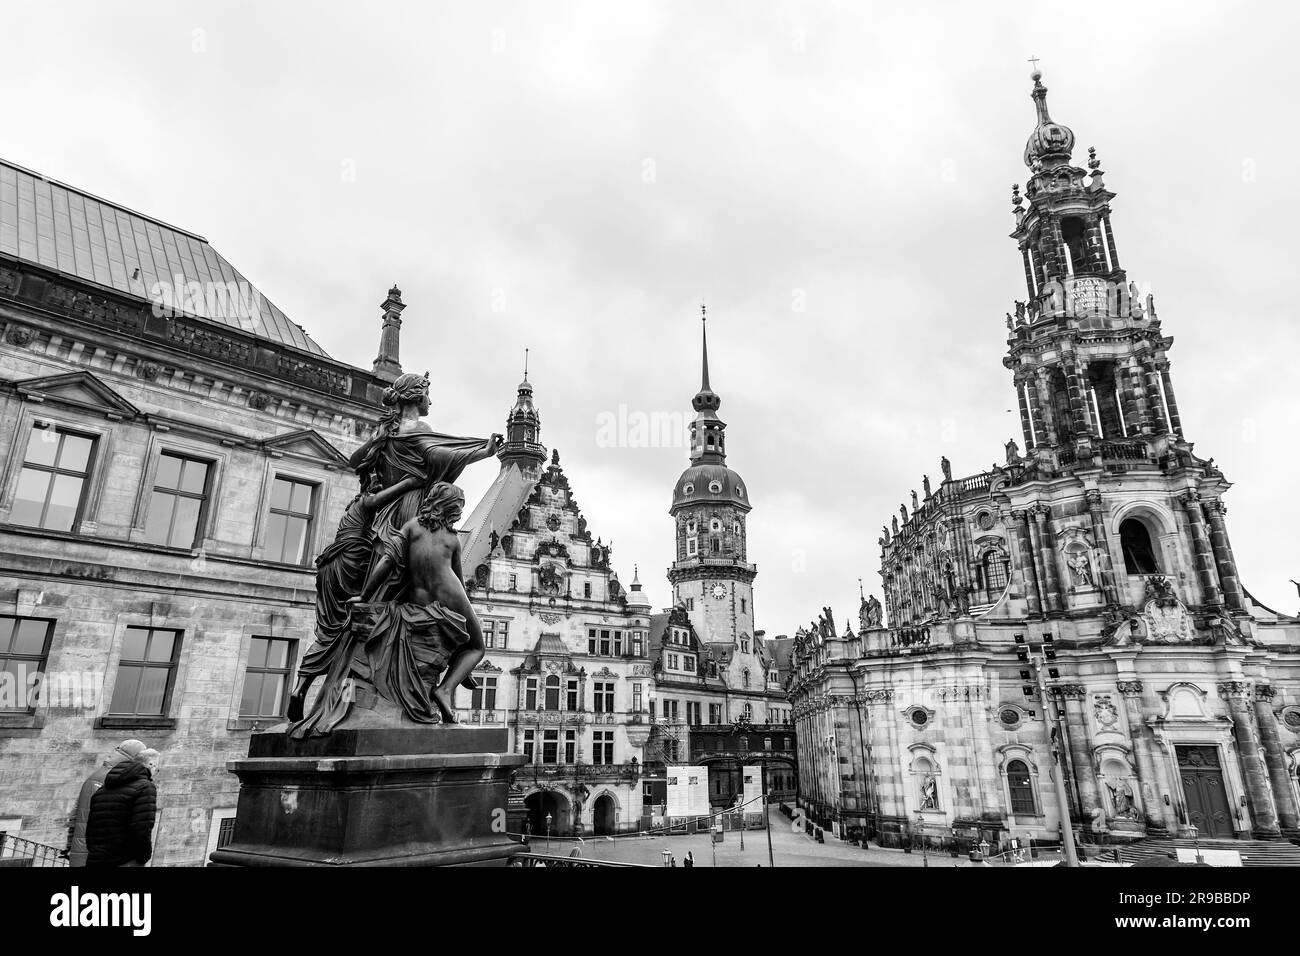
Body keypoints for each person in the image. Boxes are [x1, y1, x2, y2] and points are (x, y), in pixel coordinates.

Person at [287, 469, 423, 722]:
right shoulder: (363, 504)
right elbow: (378, 499)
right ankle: (353, 685)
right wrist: (410, 482)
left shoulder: (349, 516)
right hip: (348, 565)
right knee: (349, 626)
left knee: (328, 631)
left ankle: (300, 688)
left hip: (329, 568)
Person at [354, 482, 484, 723]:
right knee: (477, 646)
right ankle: (445, 689)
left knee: (463, 638)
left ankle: (452, 676)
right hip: (451, 593)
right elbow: (458, 578)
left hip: (418, 599)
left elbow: (387, 562)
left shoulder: (412, 527)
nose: (460, 512)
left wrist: (364, 596)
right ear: (449, 507)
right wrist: (464, 610)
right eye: (459, 506)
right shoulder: (452, 539)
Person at [66, 739, 146, 867]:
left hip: (87, 851)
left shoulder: (100, 775)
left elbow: (76, 816)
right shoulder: (113, 780)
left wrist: (70, 845)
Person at [85, 748, 160, 868]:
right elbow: (142, 828)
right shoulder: (145, 787)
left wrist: (94, 852)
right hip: (126, 860)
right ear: (151, 765)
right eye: (157, 769)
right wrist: (143, 857)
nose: (156, 772)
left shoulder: (102, 790)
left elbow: (90, 827)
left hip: (96, 859)